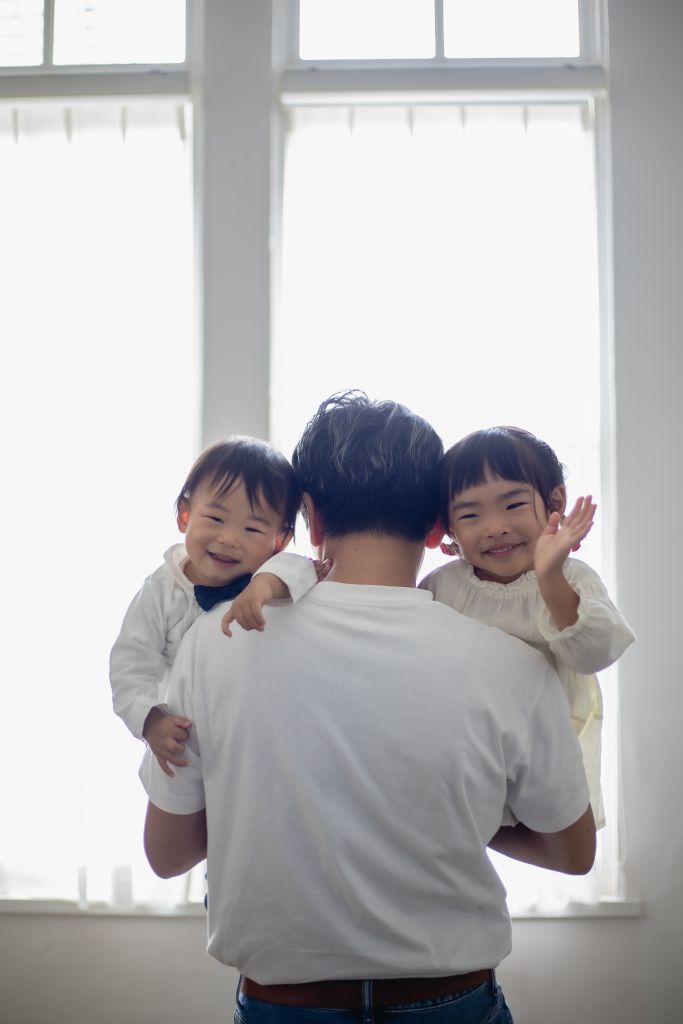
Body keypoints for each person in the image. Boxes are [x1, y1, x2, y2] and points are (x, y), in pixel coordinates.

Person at [141, 392, 595, 1024]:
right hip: (453, 1002)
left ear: (310, 518)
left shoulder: (214, 642)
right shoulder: (513, 664)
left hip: (284, 1005)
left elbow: (167, 856)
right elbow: (573, 853)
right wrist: (455, 815)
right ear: (437, 526)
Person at [229, 425, 634, 828]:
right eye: (470, 514)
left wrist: (551, 578)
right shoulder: (444, 585)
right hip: (459, 753)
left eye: (513, 505)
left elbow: (594, 653)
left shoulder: (571, 577)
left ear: (555, 502)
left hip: (548, 741)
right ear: (445, 529)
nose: (495, 527)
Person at [109, 435, 302, 775]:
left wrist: (267, 584)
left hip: (249, 741)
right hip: (182, 739)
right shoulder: (162, 590)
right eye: (215, 518)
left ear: (280, 541)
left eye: (252, 528)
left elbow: (305, 571)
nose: (229, 539)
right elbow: (130, 664)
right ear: (185, 515)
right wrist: (151, 721)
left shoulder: (270, 579)